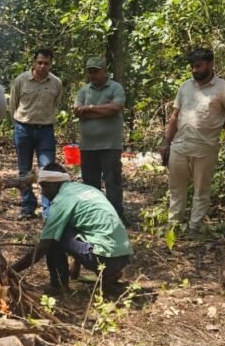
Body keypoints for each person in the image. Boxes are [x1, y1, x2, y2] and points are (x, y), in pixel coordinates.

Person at [12, 163, 133, 297]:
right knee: (63, 229)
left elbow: (43, 246)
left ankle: (59, 286)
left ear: (53, 185)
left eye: (44, 187)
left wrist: (12, 270)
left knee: (52, 237)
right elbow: (86, 228)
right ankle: (110, 273)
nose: (43, 193)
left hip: (103, 257)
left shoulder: (61, 201)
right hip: (123, 255)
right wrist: (76, 267)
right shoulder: (86, 189)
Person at [161, 48, 225, 232]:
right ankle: (174, 225)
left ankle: (195, 227)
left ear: (211, 64)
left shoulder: (224, 88)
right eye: (192, 66)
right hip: (179, 145)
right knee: (176, 188)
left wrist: (224, 133)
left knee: (201, 190)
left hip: (205, 148)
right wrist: (167, 143)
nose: (194, 70)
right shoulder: (185, 86)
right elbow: (175, 116)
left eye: (199, 66)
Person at [73, 57, 128, 222]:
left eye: (96, 71)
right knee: (90, 184)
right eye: (90, 71)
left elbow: (116, 108)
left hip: (110, 145)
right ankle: (94, 217)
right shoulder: (84, 90)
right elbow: (77, 111)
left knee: (113, 182)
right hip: (88, 146)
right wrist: (104, 110)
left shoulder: (115, 88)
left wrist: (89, 109)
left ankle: (116, 216)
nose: (93, 75)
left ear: (104, 71)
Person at [10, 48, 64, 219]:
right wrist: (19, 125)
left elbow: (55, 105)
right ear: (34, 62)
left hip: (45, 131)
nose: (42, 66)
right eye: (39, 62)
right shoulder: (21, 80)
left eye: (46, 63)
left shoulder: (56, 83)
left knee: (47, 170)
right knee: (24, 170)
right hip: (23, 129)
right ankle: (27, 206)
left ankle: (47, 210)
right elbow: (13, 105)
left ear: (51, 64)